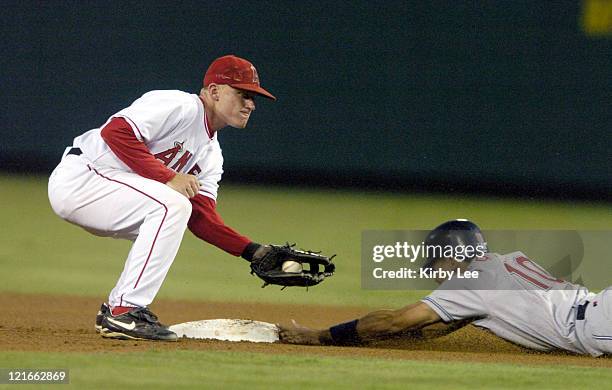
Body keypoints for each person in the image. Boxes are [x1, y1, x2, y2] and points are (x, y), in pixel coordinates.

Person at [48, 55, 276, 341]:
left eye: (254, 98)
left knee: (175, 212)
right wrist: (168, 176)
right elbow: (116, 132)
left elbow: (200, 217)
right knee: (172, 204)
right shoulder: (179, 105)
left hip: (111, 196)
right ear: (215, 91)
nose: (251, 104)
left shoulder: (211, 155)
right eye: (243, 94)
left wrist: (253, 251)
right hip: (83, 177)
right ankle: (124, 312)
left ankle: (121, 308)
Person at [279, 219, 611, 357]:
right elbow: (432, 329)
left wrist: (321, 336)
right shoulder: (504, 263)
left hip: (597, 326)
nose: (436, 275)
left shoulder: (472, 279)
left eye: (435, 263)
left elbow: (397, 321)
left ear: (451, 257)